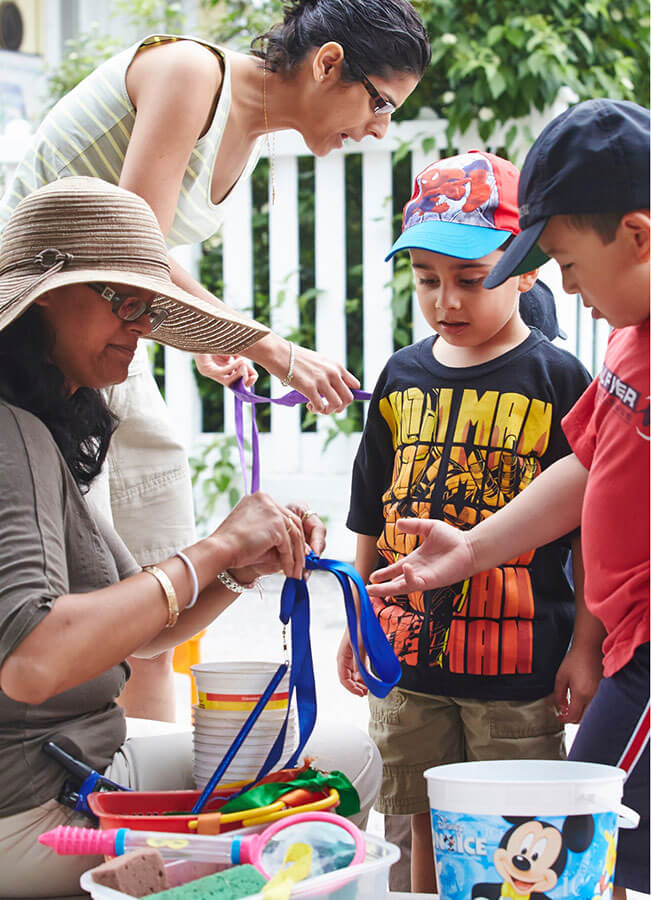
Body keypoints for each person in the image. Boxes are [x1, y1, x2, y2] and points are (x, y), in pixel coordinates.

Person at [0, 0, 430, 721]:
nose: (381, 127)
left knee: (147, 603)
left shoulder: (251, 131)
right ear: (327, 64)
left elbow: (141, 274)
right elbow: (132, 256)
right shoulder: (188, 72)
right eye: (381, 102)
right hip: (37, 333)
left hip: (101, 334)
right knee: (85, 606)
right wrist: (266, 347)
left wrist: (209, 338)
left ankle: (136, 762)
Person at [0, 177, 381, 897]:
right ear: (45, 295)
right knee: (344, 768)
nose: (141, 326)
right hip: (34, 811)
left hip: (55, 775)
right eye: (124, 301)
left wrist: (240, 566)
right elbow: (32, 661)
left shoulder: (35, 427)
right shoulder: (11, 433)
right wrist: (215, 549)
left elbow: (143, 635)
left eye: (150, 308)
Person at [368, 101, 650, 899]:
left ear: (636, 235)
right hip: (628, 645)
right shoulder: (630, 337)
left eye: (566, 263)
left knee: (572, 848)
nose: (565, 287)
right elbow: (586, 464)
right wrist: (469, 547)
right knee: (588, 850)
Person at [337, 150, 600, 893]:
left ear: (525, 270)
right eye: (426, 279)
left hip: (515, 672)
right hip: (405, 665)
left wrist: (585, 647)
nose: (445, 300)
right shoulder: (400, 375)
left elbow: (590, 532)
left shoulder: (559, 379)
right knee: (414, 819)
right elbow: (370, 511)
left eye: (470, 278)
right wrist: (359, 617)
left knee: (514, 840)